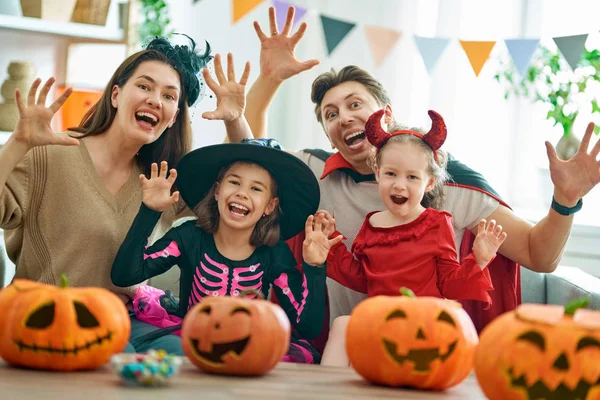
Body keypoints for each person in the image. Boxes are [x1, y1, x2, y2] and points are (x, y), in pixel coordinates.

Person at [242, 6, 600, 335]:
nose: (344, 117)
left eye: (355, 104)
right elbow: (251, 150)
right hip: (342, 345)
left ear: (386, 114)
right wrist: (269, 79)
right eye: (331, 114)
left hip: (423, 344)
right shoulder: (314, 172)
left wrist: (564, 200)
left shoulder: (451, 183)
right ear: (329, 136)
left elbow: (540, 255)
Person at [0, 34, 253, 354]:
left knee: (186, 360)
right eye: (145, 86)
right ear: (116, 95)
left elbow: (246, 187)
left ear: (173, 116)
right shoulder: (47, 155)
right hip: (46, 319)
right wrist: (17, 144)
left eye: (169, 96)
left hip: (130, 320)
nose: (155, 100)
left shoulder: (163, 179)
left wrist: (235, 119)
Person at [111, 138, 342, 364]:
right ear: (217, 191)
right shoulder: (189, 237)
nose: (242, 193)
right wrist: (149, 211)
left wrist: (314, 267)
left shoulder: (273, 252)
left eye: (256, 188)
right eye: (234, 182)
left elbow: (308, 326)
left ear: (269, 206)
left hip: (249, 342)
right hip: (189, 335)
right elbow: (125, 275)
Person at [319, 109, 507, 366]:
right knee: (342, 324)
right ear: (377, 173)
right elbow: (362, 278)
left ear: (429, 183)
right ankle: (326, 392)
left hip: (423, 324)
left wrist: (480, 259)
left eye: (412, 177)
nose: (399, 185)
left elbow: (450, 283)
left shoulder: (437, 224)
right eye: (391, 174)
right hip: (382, 320)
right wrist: (331, 243)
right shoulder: (372, 223)